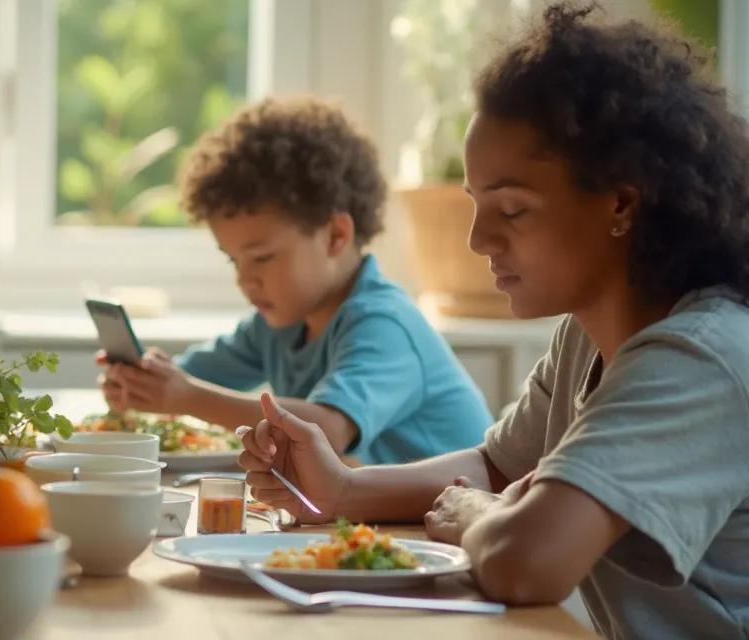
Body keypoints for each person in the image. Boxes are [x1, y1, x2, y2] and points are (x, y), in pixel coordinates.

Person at [237, 4, 749, 637]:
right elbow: (496, 465)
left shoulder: (698, 358)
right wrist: (342, 489)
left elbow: (525, 561)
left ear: (621, 202)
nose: (479, 240)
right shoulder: (587, 334)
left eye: (512, 210)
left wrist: (482, 514)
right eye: (477, 205)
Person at [101, 97, 491, 465]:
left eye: (262, 257)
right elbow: (193, 378)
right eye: (233, 260)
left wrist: (186, 396)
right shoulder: (280, 321)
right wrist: (143, 385)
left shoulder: (385, 325)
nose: (245, 279)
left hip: (451, 523)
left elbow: (326, 429)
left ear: (335, 236)